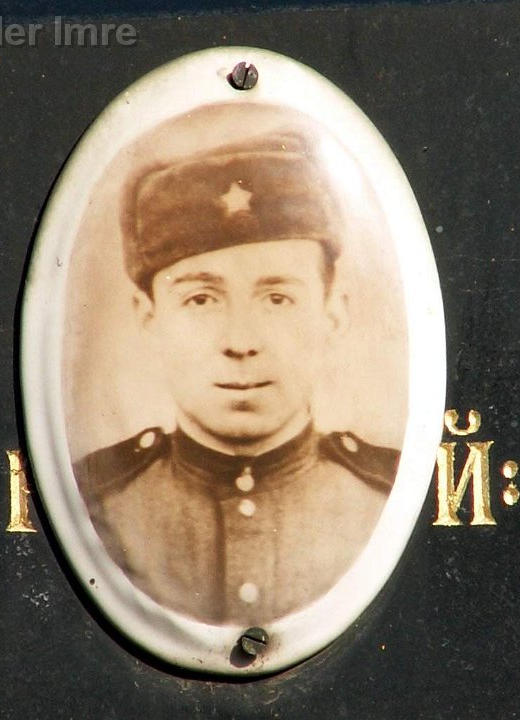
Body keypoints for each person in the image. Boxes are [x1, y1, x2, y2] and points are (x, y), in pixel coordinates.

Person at [74, 130, 400, 625]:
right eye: (201, 300)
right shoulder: (96, 504)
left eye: (277, 299)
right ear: (148, 316)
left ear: (333, 312)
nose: (241, 341)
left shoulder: (386, 499)